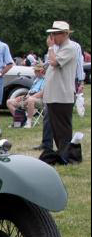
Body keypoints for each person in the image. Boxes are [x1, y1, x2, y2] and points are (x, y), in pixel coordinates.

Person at [42, 21, 78, 154]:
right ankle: (61, 152)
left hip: (62, 95)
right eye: (51, 34)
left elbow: (54, 62)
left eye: (54, 34)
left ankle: (66, 153)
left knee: (62, 128)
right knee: (56, 128)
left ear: (64, 34)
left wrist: (50, 48)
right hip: (54, 95)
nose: (52, 37)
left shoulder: (70, 47)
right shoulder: (60, 48)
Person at [6, 62, 46, 128]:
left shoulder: (46, 80)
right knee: (9, 102)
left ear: (41, 71)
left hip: (40, 100)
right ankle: (19, 120)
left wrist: (30, 97)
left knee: (30, 99)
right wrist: (22, 97)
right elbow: (30, 92)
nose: (34, 72)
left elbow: (42, 93)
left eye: (36, 71)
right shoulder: (36, 80)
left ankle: (28, 122)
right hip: (29, 98)